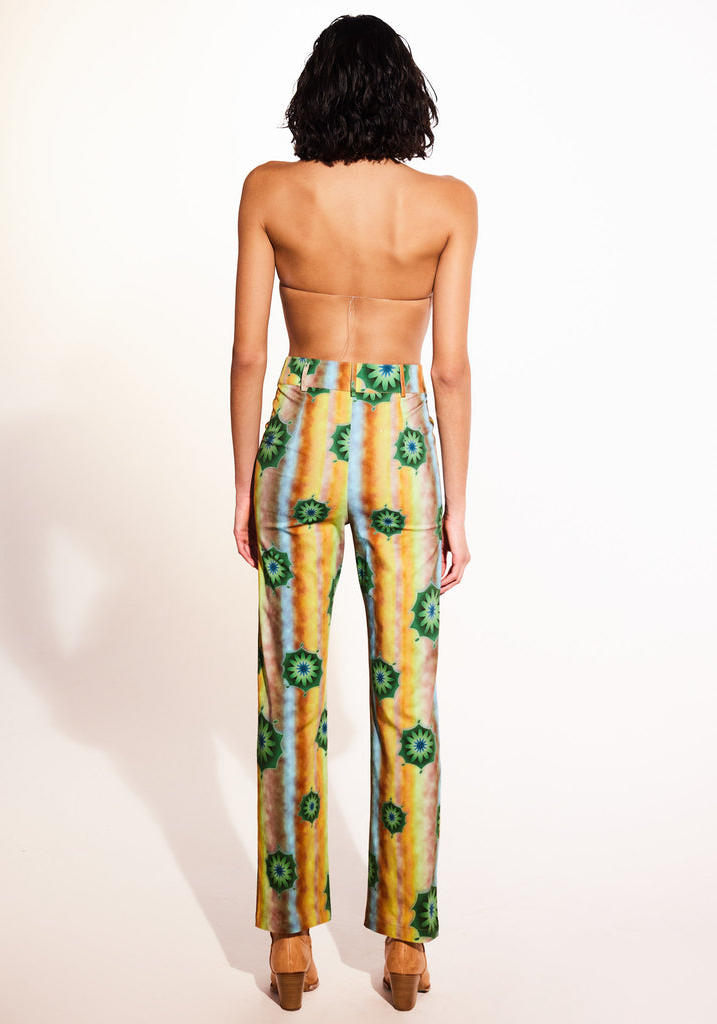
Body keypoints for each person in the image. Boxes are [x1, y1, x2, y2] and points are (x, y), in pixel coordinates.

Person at [230, 13, 477, 1012]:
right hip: (402, 452)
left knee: (290, 697)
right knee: (406, 701)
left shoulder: (270, 190)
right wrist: (457, 507)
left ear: (317, 95)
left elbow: (249, 353)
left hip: (299, 441)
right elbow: (450, 368)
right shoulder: (448, 204)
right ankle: (407, 949)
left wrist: (242, 482)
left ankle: (291, 945)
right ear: (406, 97)